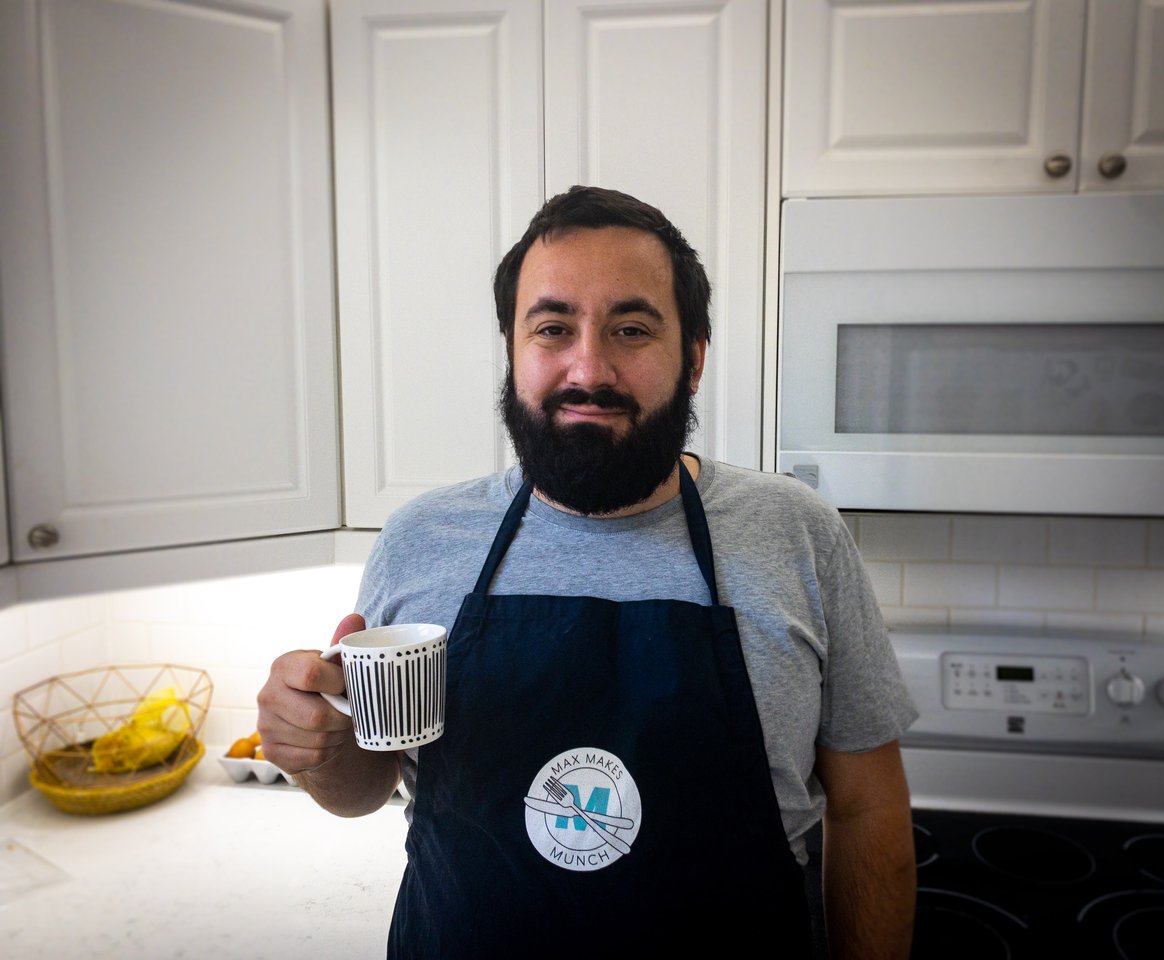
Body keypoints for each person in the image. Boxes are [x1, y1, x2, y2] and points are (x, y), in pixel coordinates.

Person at [258, 186, 918, 958]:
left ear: (694, 358)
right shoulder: (420, 540)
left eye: (631, 328)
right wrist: (324, 753)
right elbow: (368, 787)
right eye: (553, 327)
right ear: (513, 352)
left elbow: (869, 808)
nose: (589, 367)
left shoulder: (797, 534)